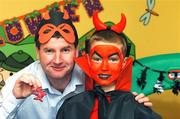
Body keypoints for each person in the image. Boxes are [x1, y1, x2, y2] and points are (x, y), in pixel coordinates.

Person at [0, 10, 151, 119]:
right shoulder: (17, 84)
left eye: (65, 50)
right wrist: (15, 98)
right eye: (49, 51)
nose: (58, 60)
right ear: (37, 52)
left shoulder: (93, 73)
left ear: (77, 51)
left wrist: (135, 106)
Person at [56, 11, 162, 119]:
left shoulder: (134, 106)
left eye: (113, 60)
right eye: (97, 59)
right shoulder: (72, 106)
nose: (104, 67)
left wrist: (139, 109)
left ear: (124, 63)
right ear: (88, 60)